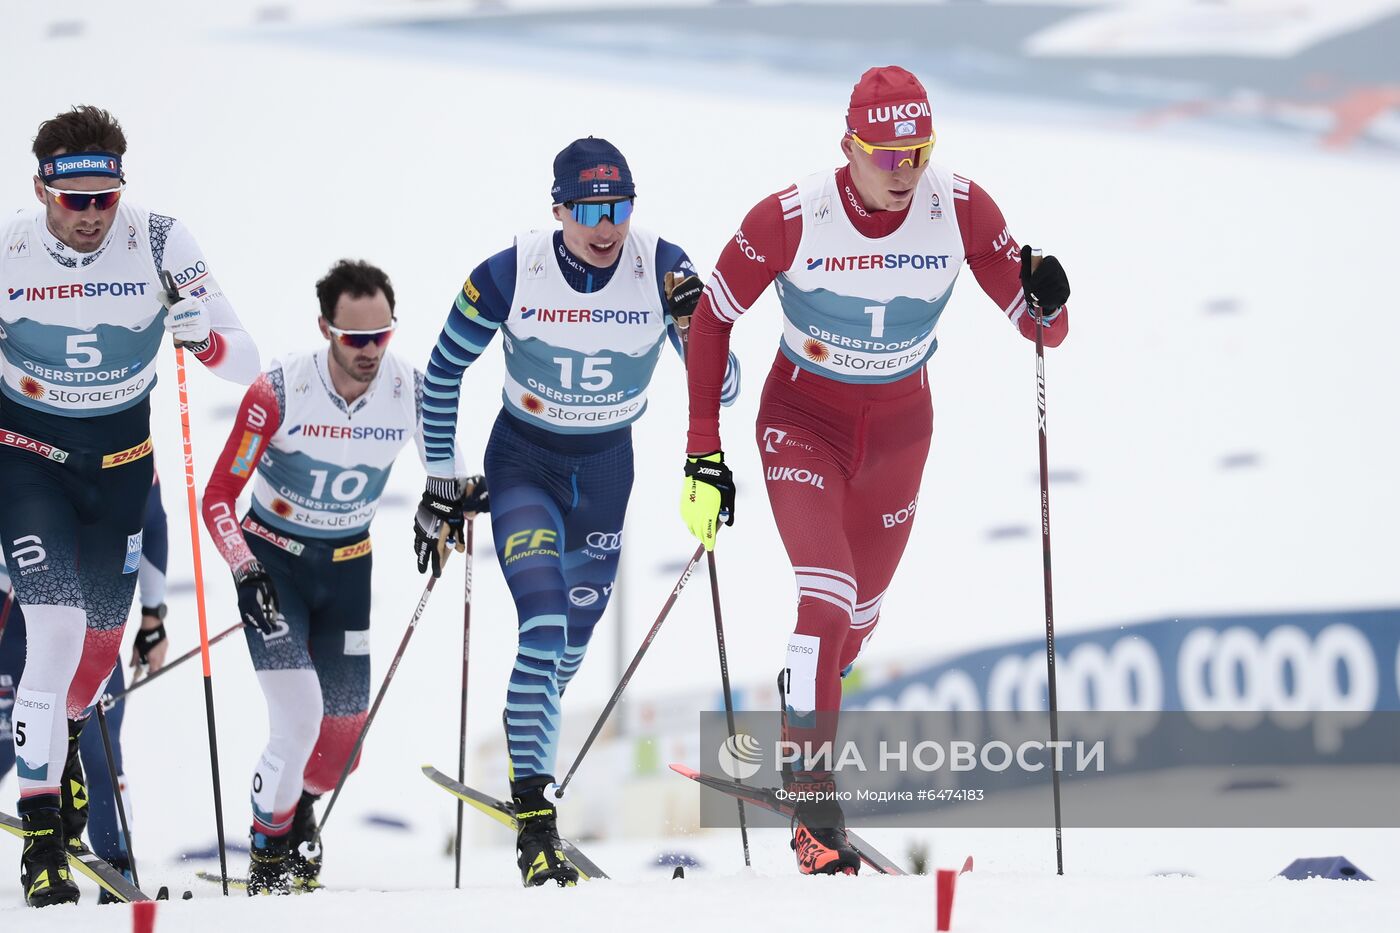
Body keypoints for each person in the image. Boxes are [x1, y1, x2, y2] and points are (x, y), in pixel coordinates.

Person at [678, 67, 1072, 875]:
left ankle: (804, 704)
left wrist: (1049, 295)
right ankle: (812, 803)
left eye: (919, 150)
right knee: (823, 598)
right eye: (888, 152)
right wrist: (702, 449)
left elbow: (1042, 331)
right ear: (849, 146)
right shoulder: (793, 217)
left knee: (857, 621)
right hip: (801, 424)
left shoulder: (960, 206)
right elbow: (714, 316)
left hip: (899, 436)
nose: (906, 169)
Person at [418, 137, 738, 887]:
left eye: (619, 207)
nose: (606, 226)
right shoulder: (510, 271)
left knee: (565, 654)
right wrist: (442, 482)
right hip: (522, 464)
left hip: (605, 472)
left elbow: (722, 390)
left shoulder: (663, 266)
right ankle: (536, 817)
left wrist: (696, 327)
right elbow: (440, 374)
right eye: (589, 210)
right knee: (544, 623)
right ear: (557, 207)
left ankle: (531, 753)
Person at [0, 105, 258, 907]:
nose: (90, 217)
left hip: (119, 470)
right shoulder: (7, 249)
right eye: (74, 201)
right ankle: (42, 834)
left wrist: (201, 338)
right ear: (43, 188)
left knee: (93, 661)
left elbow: (243, 358)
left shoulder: (159, 239)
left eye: (104, 198)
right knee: (56, 630)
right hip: (28, 460)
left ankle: (61, 749)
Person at [202, 259, 468, 895]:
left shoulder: (413, 390)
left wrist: (444, 506)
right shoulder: (280, 391)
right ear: (325, 328)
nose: (371, 351)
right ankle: (267, 854)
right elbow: (217, 498)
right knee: (297, 718)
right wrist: (245, 572)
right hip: (275, 567)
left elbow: (448, 470)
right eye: (356, 339)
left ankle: (296, 817)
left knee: (340, 749)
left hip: (349, 570)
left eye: (383, 335)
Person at [0, 473, 170, 902]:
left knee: (100, 748)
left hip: (94, 623)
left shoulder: (122, 441)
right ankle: (44, 854)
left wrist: (153, 615)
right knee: (11, 745)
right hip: (22, 621)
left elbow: (152, 522)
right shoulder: (24, 432)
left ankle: (117, 866)